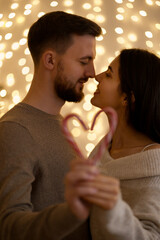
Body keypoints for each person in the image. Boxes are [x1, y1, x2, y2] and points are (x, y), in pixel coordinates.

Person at [0, 11, 103, 240]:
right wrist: (72, 212)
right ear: (50, 60)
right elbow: (8, 227)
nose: (92, 73)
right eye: (84, 61)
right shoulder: (15, 129)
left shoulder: (59, 123)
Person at [65, 48, 160, 239]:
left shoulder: (154, 173)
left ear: (127, 97)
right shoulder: (105, 148)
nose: (97, 76)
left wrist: (113, 207)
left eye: (108, 74)